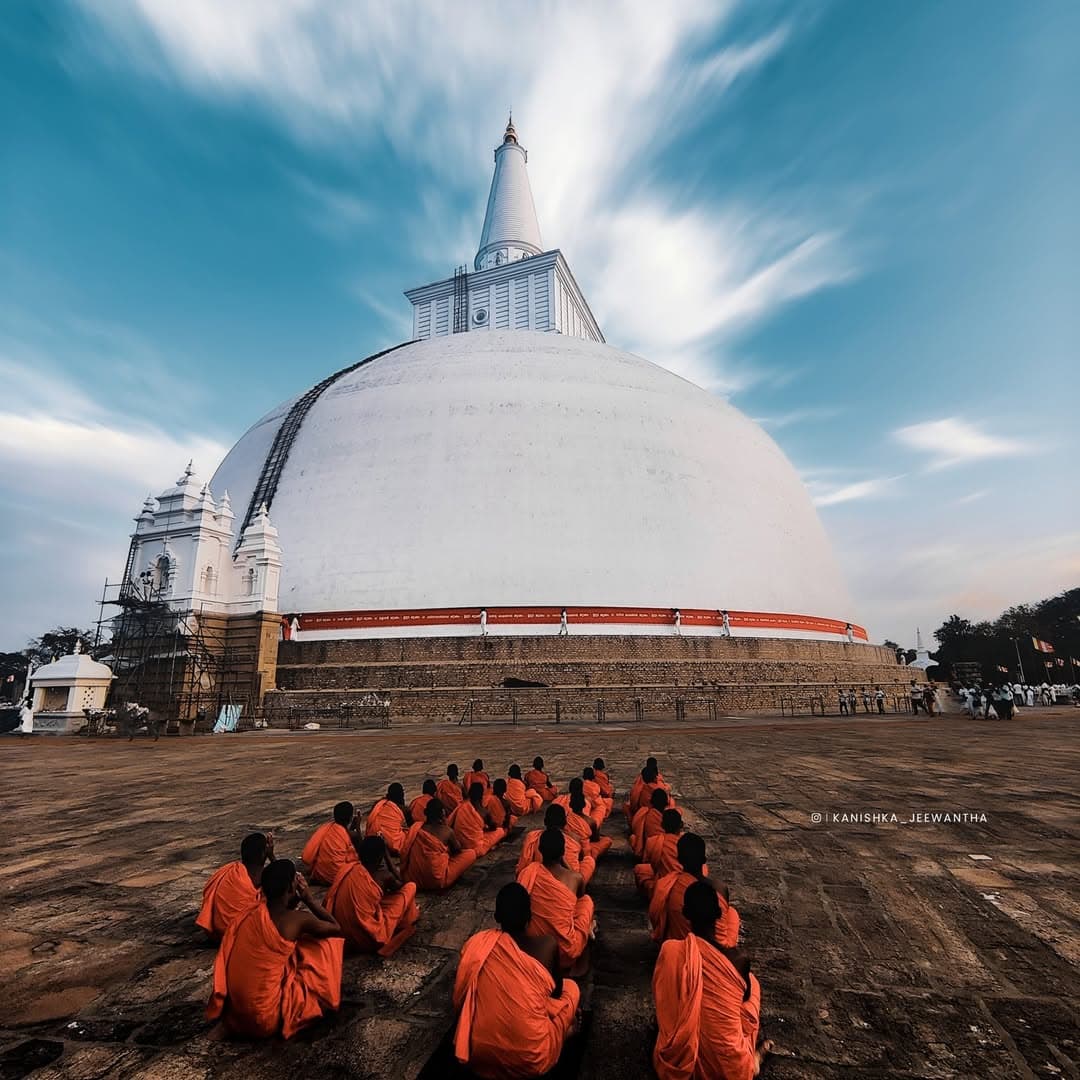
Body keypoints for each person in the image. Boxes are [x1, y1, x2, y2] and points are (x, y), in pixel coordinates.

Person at [206, 859, 344, 1039]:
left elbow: (277, 924)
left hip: (235, 1014)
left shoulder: (251, 912)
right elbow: (335, 928)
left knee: (288, 949)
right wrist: (308, 899)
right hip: (265, 1018)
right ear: (289, 889)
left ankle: (233, 1024)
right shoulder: (297, 920)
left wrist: (291, 897)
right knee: (323, 945)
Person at [453, 883, 580, 1078]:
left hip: (479, 1053)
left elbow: (460, 998)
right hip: (532, 1058)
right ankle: (563, 1033)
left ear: (496, 918)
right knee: (571, 989)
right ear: (530, 916)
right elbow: (556, 994)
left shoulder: (476, 944)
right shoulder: (547, 946)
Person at [652, 879, 771, 1079]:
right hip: (730, 1069)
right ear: (719, 914)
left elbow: (663, 998)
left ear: (685, 913)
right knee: (753, 988)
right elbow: (743, 1002)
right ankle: (753, 1062)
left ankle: (686, 1038)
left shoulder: (671, 950)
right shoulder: (739, 960)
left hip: (680, 1061)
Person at [517, 829, 595, 973]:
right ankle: (585, 938)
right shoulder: (574, 878)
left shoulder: (527, 873)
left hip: (532, 948)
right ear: (563, 851)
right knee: (587, 902)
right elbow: (580, 897)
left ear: (540, 849)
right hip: (565, 953)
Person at [326, 836, 419, 957]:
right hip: (370, 937)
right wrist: (387, 857)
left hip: (342, 933)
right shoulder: (383, 876)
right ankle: (409, 917)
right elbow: (402, 883)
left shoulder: (347, 869)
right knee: (411, 887)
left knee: (383, 899)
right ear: (380, 858)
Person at [650, 833, 739, 948]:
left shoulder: (668, 885)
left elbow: (656, 916)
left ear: (679, 859)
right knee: (731, 913)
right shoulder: (720, 888)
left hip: (682, 945)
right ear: (704, 860)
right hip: (717, 947)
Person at [196, 832, 274, 940]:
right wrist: (271, 855)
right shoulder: (261, 875)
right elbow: (287, 879)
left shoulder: (229, 870)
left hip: (219, 931)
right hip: (240, 933)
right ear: (263, 853)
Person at [400, 797, 478, 890]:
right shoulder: (447, 831)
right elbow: (457, 850)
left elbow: (405, 852)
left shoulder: (415, 828)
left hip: (413, 879)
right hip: (437, 880)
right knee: (471, 853)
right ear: (442, 814)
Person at [518, 804, 596, 885]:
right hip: (569, 882)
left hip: (538, 880)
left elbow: (522, 867)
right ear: (565, 822)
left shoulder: (532, 836)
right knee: (589, 860)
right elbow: (580, 859)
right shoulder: (575, 838)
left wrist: (526, 875)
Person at [301, 802, 359, 886]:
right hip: (339, 877)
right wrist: (357, 828)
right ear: (350, 818)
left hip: (321, 874)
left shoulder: (326, 828)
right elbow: (362, 853)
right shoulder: (351, 834)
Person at [634, 809, 686, 898]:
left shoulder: (653, 841)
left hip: (663, 887)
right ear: (681, 825)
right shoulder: (687, 841)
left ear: (662, 825)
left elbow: (653, 865)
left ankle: (649, 897)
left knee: (639, 869)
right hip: (686, 886)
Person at [449, 782, 507, 855]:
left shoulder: (461, 806)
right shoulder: (483, 811)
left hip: (461, 843)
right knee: (500, 831)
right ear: (481, 795)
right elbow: (493, 828)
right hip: (476, 845)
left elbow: (449, 823)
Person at [567, 789, 613, 860]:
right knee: (607, 840)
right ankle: (591, 857)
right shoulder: (591, 822)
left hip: (570, 850)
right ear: (584, 804)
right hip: (584, 853)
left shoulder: (566, 818)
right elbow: (595, 839)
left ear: (570, 804)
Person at [365, 783, 409, 856]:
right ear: (401, 795)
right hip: (392, 845)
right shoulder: (403, 809)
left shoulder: (378, 804)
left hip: (372, 842)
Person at [631, 787, 670, 858]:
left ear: (651, 801)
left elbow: (635, 827)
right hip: (660, 851)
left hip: (649, 851)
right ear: (666, 803)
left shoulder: (644, 813)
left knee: (633, 838)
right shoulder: (667, 817)